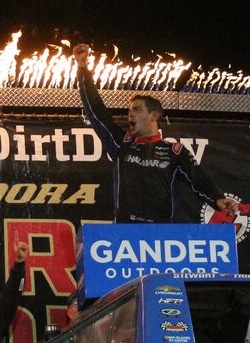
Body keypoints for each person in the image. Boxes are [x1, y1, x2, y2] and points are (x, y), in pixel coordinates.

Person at [73, 43, 239, 223]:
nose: (130, 113)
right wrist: (82, 68)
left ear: (154, 115)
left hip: (160, 233)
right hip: (124, 228)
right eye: (130, 110)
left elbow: (199, 180)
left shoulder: (174, 151)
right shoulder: (122, 143)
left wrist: (218, 199)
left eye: (137, 109)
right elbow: (97, 112)